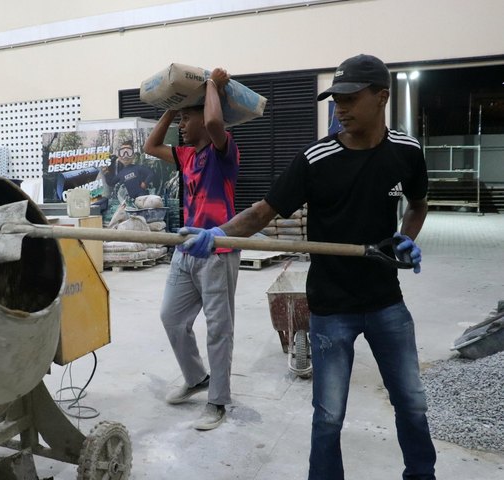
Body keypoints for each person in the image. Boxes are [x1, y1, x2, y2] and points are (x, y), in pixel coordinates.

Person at [180, 54, 435, 479]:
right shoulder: (317, 159)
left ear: (382, 97)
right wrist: (219, 233)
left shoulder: (406, 153)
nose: (341, 108)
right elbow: (264, 211)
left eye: (351, 98)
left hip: (386, 302)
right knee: (329, 415)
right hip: (330, 307)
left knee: (411, 401)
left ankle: (422, 474)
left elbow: (419, 203)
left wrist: (406, 237)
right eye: (336, 99)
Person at [143, 67, 240, 431]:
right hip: (185, 248)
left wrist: (212, 85)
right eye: (180, 120)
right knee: (171, 317)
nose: (181, 125)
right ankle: (197, 377)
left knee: (219, 328)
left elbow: (216, 122)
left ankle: (217, 400)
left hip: (218, 249)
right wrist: (173, 105)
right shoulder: (185, 157)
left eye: (186, 118)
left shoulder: (224, 153)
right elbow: (150, 146)